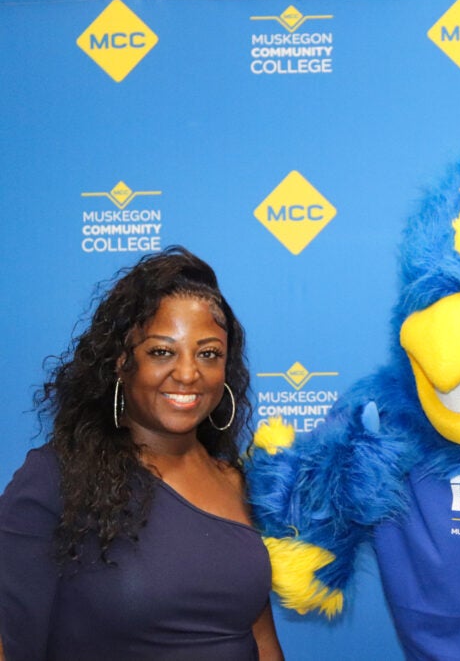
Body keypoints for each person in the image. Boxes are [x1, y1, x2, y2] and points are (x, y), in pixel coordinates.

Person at [0, 246, 283, 661]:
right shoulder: (56, 479)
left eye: (208, 354)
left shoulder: (238, 483)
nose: (188, 373)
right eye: (162, 351)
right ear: (120, 362)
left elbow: (262, 642)